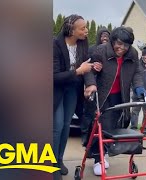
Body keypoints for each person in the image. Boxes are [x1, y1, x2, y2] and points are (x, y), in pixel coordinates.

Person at [83, 26, 146, 176]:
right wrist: (91, 83)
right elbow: (88, 70)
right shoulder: (100, 51)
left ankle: (103, 153)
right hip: (102, 94)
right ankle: (97, 159)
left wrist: (139, 87)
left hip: (119, 95)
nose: (122, 48)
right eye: (119, 44)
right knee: (100, 126)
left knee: (114, 126)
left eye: (126, 45)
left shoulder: (132, 53)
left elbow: (137, 72)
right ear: (113, 40)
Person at [53, 14, 102, 179]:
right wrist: (78, 71)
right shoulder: (55, 45)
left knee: (66, 125)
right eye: (83, 28)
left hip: (73, 89)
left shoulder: (82, 43)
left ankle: (59, 160)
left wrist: (90, 78)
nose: (86, 31)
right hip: (56, 90)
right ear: (71, 30)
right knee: (57, 126)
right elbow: (53, 76)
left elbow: (85, 65)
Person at [80, 27, 111, 146]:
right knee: (88, 114)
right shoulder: (92, 49)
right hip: (92, 85)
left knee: (103, 115)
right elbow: (85, 65)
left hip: (104, 87)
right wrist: (93, 66)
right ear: (99, 37)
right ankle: (85, 137)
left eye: (107, 35)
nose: (105, 37)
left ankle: (99, 140)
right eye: (102, 35)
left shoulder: (111, 51)